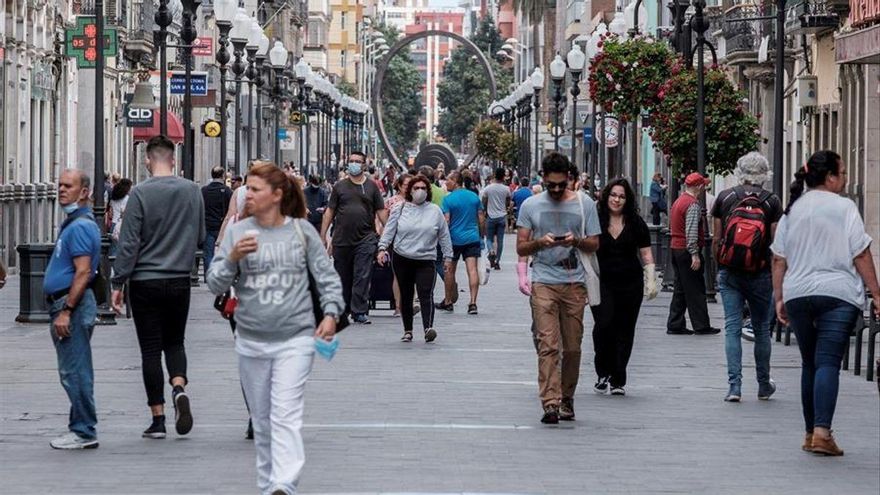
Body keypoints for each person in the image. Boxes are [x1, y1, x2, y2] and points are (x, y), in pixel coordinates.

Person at [207, 163, 343, 495]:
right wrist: (231, 258)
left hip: (295, 338)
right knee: (263, 419)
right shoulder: (238, 233)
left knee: (285, 413)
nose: (247, 195)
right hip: (251, 339)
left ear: (277, 195)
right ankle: (269, 483)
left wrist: (330, 314)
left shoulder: (301, 232)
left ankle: (285, 483)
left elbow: (326, 277)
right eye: (247, 189)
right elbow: (215, 283)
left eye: (255, 190)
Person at [771, 150, 880, 456]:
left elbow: (778, 259)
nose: (845, 179)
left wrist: (779, 297)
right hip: (838, 294)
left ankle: (810, 434)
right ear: (830, 177)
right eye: (842, 173)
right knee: (828, 362)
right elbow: (861, 253)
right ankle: (822, 433)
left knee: (810, 362)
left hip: (798, 293)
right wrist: (877, 293)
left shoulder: (793, 210)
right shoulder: (844, 207)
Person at [111, 135, 205, 439]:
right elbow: (200, 235)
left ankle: (158, 419)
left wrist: (118, 281)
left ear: (147, 160)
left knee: (150, 350)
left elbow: (129, 243)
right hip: (179, 280)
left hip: (145, 281)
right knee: (175, 342)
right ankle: (178, 387)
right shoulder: (192, 191)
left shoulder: (140, 193)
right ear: (173, 160)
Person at [516, 152, 601, 424]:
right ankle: (550, 403)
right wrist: (541, 243)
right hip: (543, 281)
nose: (555, 189)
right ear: (543, 178)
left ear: (569, 179)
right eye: (550, 184)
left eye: (560, 184)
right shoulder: (530, 205)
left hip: (574, 283)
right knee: (548, 344)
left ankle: (567, 398)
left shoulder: (584, 204)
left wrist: (575, 241)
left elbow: (594, 243)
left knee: (573, 347)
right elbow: (521, 247)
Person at [711, 152, 783, 402]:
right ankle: (763, 384)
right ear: (765, 174)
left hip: (730, 271)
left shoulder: (725, 197)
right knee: (761, 329)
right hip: (760, 273)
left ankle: (735, 387)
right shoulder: (772, 201)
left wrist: (721, 265)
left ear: (739, 172)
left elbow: (717, 239)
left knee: (732, 327)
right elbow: (775, 244)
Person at [43, 169, 102, 450]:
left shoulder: (80, 227)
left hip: (71, 304)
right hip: (65, 303)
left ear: (84, 192)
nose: (62, 190)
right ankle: (80, 426)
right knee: (73, 368)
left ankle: (84, 430)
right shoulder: (74, 224)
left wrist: (66, 310)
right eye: (60, 185)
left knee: (74, 370)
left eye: (68, 186)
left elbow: (83, 271)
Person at [591, 178, 657, 397]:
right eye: (613, 195)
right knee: (604, 325)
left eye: (621, 196)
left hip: (630, 283)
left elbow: (646, 253)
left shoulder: (636, 223)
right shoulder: (596, 220)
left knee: (625, 330)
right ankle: (603, 372)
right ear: (606, 196)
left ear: (627, 200)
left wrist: (650, 278)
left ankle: (618, 379)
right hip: (602, 282)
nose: (617, 200)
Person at [378, 175, 453, 343]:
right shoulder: (400, 209)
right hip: (402, 257)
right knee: (406, 294)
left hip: (426, 259)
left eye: (423, 188)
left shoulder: (435, 211)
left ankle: (428, 328)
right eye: (416, 188)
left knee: (426, 293)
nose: (420, 191)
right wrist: (382, 248)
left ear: (428, 191)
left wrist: (448, 257)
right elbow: (389, 230)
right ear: (410, 191)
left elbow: (444, 235)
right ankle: (408, 330)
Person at [320, 151, 388, 324]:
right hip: (342, 239)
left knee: (362, 275)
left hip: (366, 238)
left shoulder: (372, 187)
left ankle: (359, 311)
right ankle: (344, 309)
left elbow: (381, 211)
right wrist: (323, 236)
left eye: (358, 161)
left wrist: (388, 234)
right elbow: (330, 212)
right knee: (343, 277)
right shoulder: (339, 186)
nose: (354, 164)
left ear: (364, 165)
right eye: (351, 161)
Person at [666, 172, 719, 335]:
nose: (704, 188)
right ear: (699, 186)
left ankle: (675, 323)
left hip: (676, 248)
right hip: (686, 251)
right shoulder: (692, 205)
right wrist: (694, 254)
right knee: (696, 289)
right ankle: (701, 325)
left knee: (680, 288)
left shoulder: (678, 201)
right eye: (703, 185)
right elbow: (691, 232)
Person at [436, 170, 485, 315]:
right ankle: (473, 303)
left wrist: (441, 238)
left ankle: (448, 301)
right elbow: (481, 218)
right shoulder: (474, 197)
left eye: (448, 180)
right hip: (472, 238)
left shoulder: (448, 199)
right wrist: (481, 235)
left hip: (453, 239)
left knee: (449, 270)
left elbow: (446, 220)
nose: (446, 183)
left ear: (455, 181)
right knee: (472, 270)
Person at [384, 174, 413, 316]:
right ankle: (398, 306)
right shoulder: (391, 202)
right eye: (406, 185)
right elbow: (384, 222)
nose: (408, 188)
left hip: (413, 241)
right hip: (396, 242)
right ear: (400, 186)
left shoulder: (417, 202)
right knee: (397, 274)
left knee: (412, 274)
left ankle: (410, 304)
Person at [202, 166, 233, 278]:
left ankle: (209, 276)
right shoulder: (227, 191)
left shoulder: (204, 190)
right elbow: (231, 210)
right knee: (223, 252)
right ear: (223, 176)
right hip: (222, 227)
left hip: (208, 226)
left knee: (208, 253)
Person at [481, 167, 512, 270]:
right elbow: (508, 201)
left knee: (489, 238)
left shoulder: (488, 188)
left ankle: (491, 251)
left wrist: (485, 212)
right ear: (503, 177)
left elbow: (483, 202)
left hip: (490, 216)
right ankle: (497, 261)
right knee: (500, 240)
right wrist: (505, 208)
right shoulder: (506, 189)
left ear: (494, 175)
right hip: (502, 217)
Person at [108, 178, 132, 256]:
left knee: (113, 248)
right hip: (122, 224)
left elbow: (110, 213)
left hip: (113, 223)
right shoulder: (127, 199)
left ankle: (111, 263)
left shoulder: (113, 198)